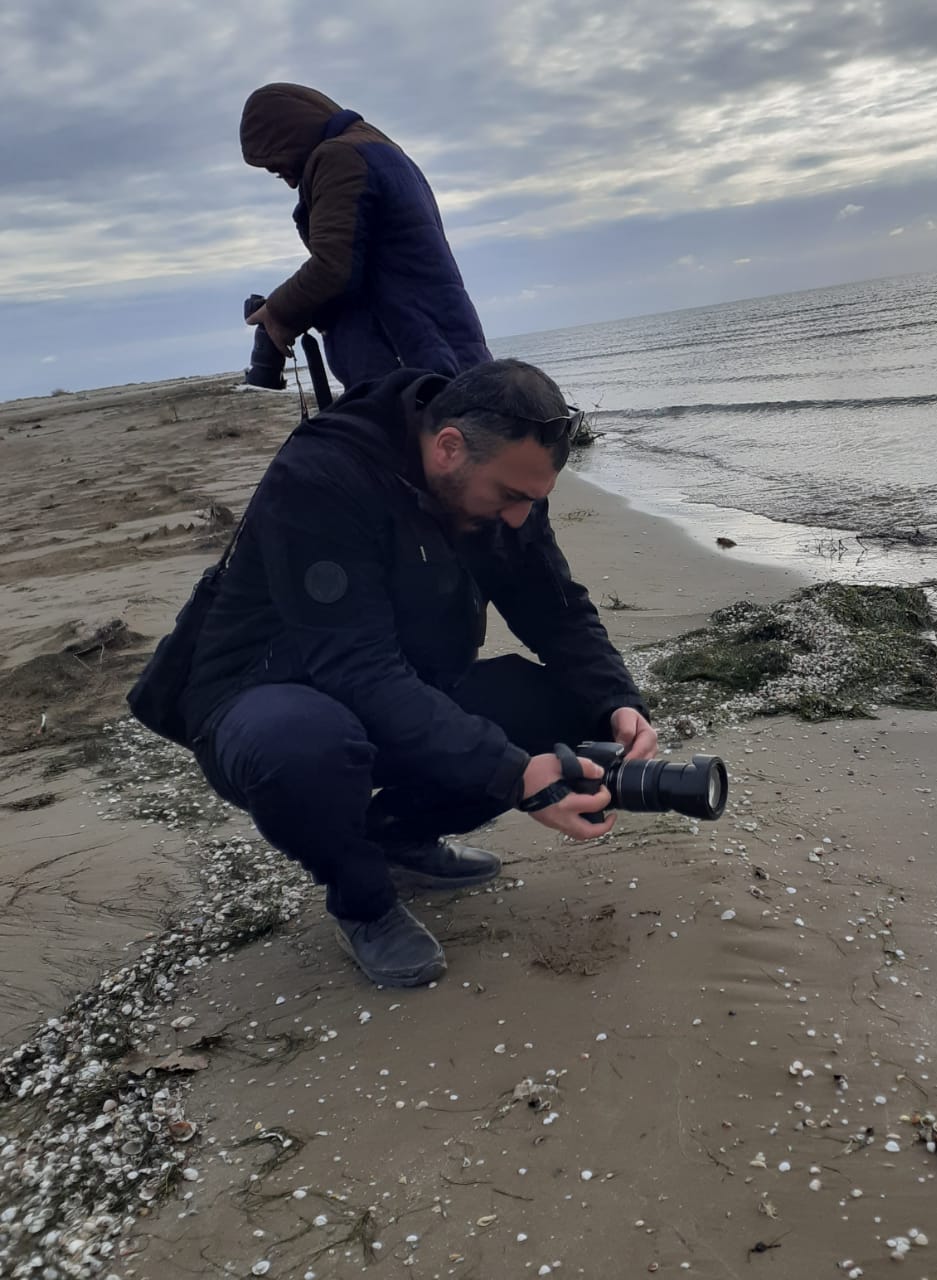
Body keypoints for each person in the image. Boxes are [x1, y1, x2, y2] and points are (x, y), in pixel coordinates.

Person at [177, 358, 658, 987]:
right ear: (449, 447)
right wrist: (514, 774)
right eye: (511, 497)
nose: (520, 517)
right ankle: (363, 902)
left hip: (395, 683)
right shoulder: (321, 477)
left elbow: (556, 608)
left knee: (574, 702)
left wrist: (619, 702)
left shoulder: (505, 482)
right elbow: (356, 670)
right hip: (260, 703)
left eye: (533, 501)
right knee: (307, 744)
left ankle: (399, 839)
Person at [239, 82, 492, 388]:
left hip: (408, 361)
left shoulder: (340, 157)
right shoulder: (380, 150)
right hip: (441, 347)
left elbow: (333, 268)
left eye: (276, 165)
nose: (288, 180)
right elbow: (363, 267)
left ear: (288, 135)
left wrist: (277, 313)